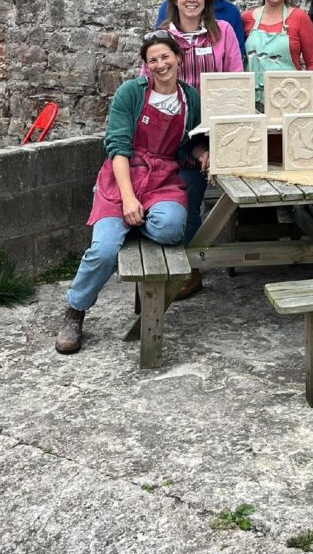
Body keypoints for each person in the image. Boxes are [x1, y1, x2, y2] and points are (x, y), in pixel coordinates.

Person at [55, 33, 209, 355]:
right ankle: (76, 311)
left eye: (165, 57)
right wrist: (127, 198)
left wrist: (201, 153)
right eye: (153, 59)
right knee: (105, 250)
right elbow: (118, 148)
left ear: (178, 58)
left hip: (162, 179)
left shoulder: (190, 98)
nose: (160, 64)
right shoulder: (131, 93)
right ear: (147, 65)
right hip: (122, 176)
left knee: (170, 229)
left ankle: (136, 224)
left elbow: (188, 142)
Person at [154, 0, 243, 295]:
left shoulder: (224, 32)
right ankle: (179, 267)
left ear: (207, 0)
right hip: (174, 129)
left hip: (214, 128)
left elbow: (236, 79)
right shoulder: (162, 38)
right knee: (177, 198)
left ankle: (192, 266)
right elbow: (148, 82)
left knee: (210, 198)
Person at [242, 0, 313, 107]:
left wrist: (307, 99)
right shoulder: (246, 18)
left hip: (290, 100)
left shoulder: (300, 18)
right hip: (251, 101)